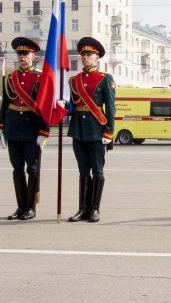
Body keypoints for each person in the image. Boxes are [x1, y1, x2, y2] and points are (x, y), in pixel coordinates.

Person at [0, 37, 50, 220]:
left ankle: (30, 208)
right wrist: (1, 126)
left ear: (33, 56)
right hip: (13, 128)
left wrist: (44, 132)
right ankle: (20, 207)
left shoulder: (41, 77)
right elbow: (6, 103)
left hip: (31, 128)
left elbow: (45, 106)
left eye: (25, 54)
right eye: (19, 54)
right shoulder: (11, 77)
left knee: (32, 169)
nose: (22, 57)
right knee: (17, 169)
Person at [67, 37, 116, 223]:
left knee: (97, 170)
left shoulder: (105, 79)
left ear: (97, 58)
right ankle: (83, 209)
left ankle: (95, 209)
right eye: (83, 55)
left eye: (89, 54)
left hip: (96, 130)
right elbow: (72, 106)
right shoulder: (74, 80)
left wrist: (108, 132)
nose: (85, 57)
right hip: (78, 129)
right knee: (82, 171)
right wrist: (63, 106)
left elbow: (110, 108)